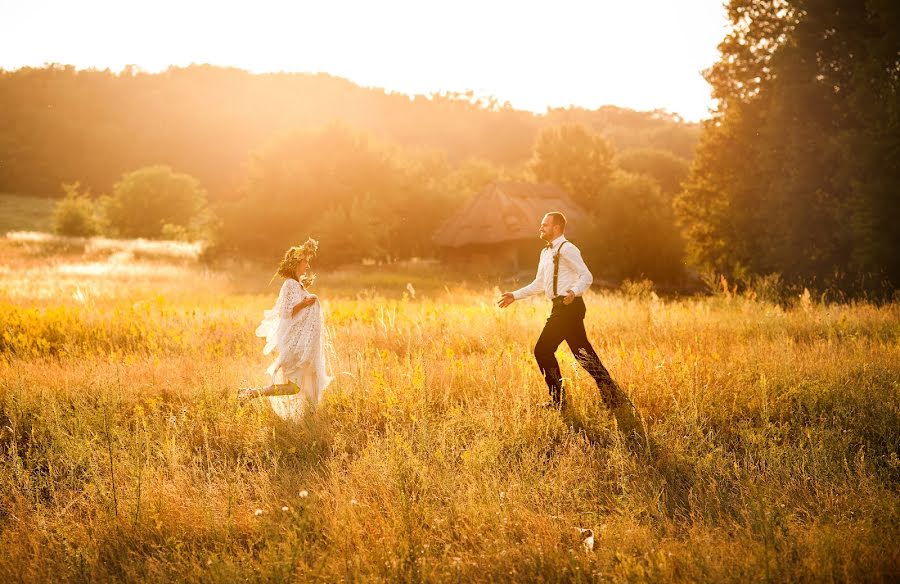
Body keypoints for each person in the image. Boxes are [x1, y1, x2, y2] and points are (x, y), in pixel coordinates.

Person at [497, 212, 623, 411]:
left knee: (542, 350)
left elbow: (586, 275)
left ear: (556, 227)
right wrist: (515, 295)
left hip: (569, 306)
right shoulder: (545, 253)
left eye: (544, 225)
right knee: (583, 354)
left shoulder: (568, 249)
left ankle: (559, 401)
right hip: (559, 306)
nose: (541, 228)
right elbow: (538, 284)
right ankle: (613, 397)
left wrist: (574, 291)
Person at [239, 238, 333, 420]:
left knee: (298, 386)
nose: (307, 264)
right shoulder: (290, 284)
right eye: (305, 261)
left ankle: (250, 394)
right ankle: (249, 393)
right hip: (294, 344)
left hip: (301, 343)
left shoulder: (298, 284)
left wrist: (305, 298)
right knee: (293, 387)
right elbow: (285, 312)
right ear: (297, 262)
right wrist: (305, 303)